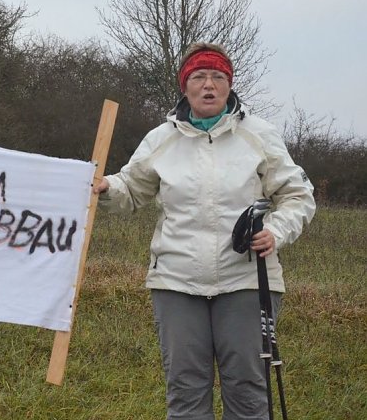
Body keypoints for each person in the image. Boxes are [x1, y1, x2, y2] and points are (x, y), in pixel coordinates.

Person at [93, 42, 315, 419]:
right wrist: (106, 189)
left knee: (247, 390)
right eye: (199, 77)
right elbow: (130, 189)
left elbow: (298, 195)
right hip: (177, 282)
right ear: (185, 86)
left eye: (217, 77)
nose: (208, 85)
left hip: (247, 279)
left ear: (229, 85)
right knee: (185, 390)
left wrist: (275, 231)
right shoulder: (161, 139)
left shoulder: (258, 135)